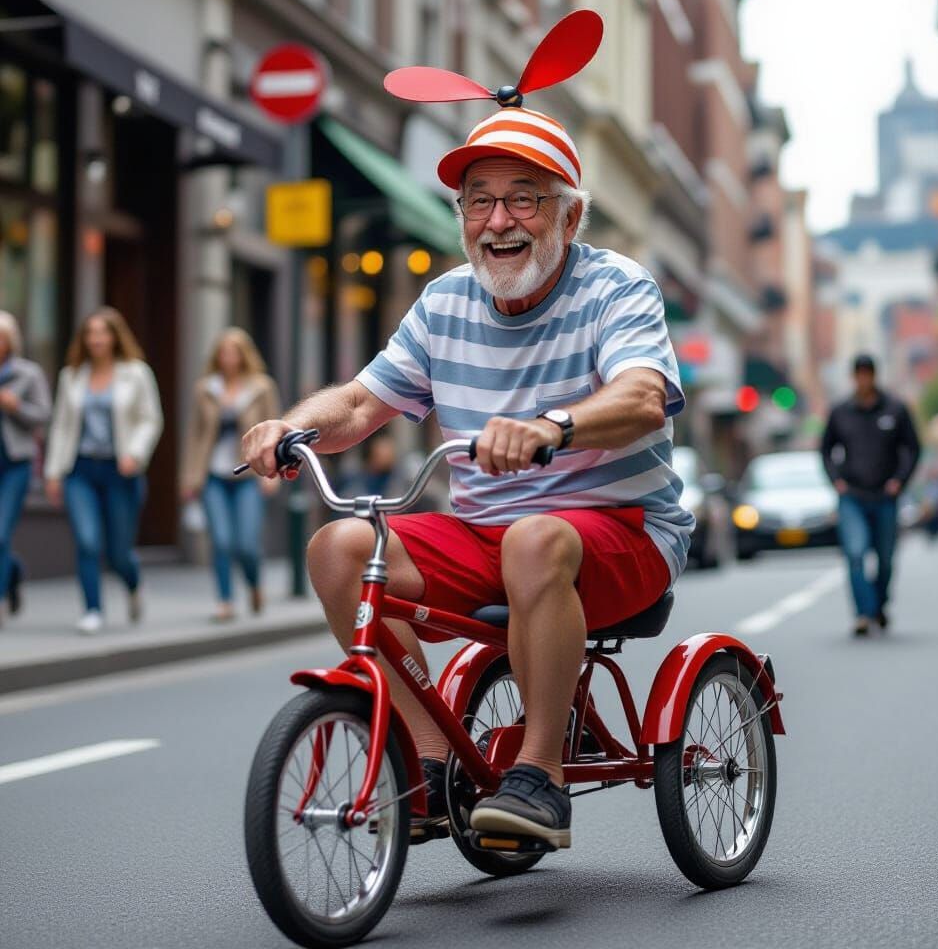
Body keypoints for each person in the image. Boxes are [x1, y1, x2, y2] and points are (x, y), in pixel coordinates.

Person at [242, 63, 694, 849]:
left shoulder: (618, 289)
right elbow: (357, 402)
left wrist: (553, 425)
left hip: (622, 533)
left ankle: (541, 777)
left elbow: (642, 398)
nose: (498, 219)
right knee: (341, 548)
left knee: (536, 536)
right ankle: (423, 764)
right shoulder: (444, 300)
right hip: (486, 536)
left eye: (525, 197)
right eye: (479, 200)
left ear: (570, 218)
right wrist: (291, 425)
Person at [44, 307, 163, 634]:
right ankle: (92, 609)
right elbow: (62, 427)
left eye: (102, 332)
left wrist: (135, 454)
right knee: (86, 541)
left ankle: (133, 583)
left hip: (120, 471)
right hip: (80, 469)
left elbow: (150, 419)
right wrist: (53, 472)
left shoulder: (136, 372)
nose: (96, 339)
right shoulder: (72, 375)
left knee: (119, 552)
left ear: (114, 336)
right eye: (90, 333)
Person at [180, 327, 280, 621]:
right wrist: (189, 478)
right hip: (212, 475)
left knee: (247, 544)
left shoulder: (261, 387)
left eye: (234, 352)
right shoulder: (205, 388)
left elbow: (275, 431)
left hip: (249, 475)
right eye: (223, 352)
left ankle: (254, 583)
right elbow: (194, 435)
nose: (228, 357)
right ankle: (225, 600)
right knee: (221, 541)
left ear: (244, 355)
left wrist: (271, 474)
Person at [821, 354, 921, 636]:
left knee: (886, 558)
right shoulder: (840, 411)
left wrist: (899, 481)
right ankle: (864, 614)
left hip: (885, 496)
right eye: (859, 374)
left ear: (874, 376)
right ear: (854, 377)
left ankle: (879, 605)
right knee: (855, 553)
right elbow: (826, 449)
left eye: (868, 373)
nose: (863, 379)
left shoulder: (895, 409)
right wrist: (836, 480)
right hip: (852, 495)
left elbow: (912, 448)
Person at [0, 311, 51, 622]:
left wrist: (16, 406)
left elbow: (44, 414)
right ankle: (14, 571)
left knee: (1, 533)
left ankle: (2, 598)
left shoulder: (27, 374)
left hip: (15, 464)